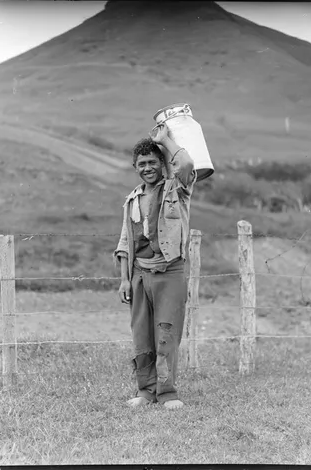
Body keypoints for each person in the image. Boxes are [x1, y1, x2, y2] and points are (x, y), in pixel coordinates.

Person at [113, 122, 197, 409]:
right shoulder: (132, 199)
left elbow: (185, 163)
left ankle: (168, 393)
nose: (147, 168)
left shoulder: (178, 189)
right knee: (141, 335)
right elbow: (126, 242)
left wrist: (165, 141)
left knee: (166, 332)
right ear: (135, 167)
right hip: (139, 275)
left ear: (162, 164)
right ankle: (146, 391)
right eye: (141, 164)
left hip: (170, 272)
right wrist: (125, 280)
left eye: (152, 162)